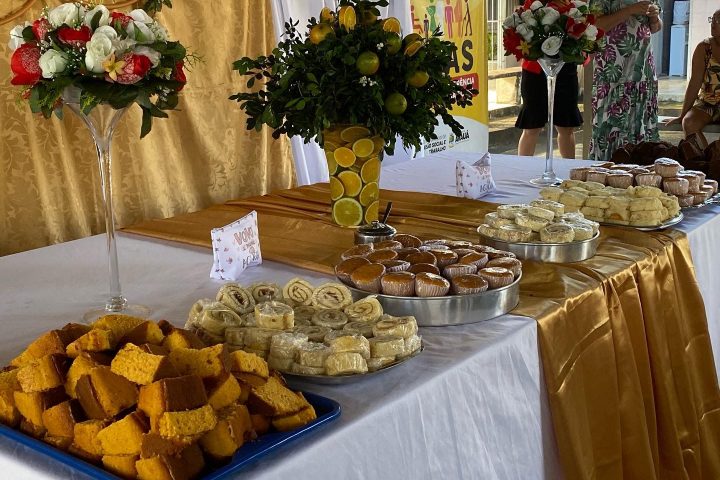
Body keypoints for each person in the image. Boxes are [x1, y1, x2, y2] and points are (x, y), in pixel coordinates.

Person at [589, 0, 662, 161]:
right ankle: (606, 170)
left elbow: (655, 28)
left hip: (644, 73)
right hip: (613, 74)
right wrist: (630, 10)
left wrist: (655, 18)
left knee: (642, 131)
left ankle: (642, 174)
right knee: (609, 130)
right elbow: (595, 26)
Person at [665, 10, 720, 147]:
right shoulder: (704, 48)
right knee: (689, 122)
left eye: (718, 20)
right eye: (712, 19)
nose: (713, 24)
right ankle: (705, 157)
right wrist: (682, 114)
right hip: (707, 103)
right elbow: (695, 82)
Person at [516, 60, 582, 159]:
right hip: (534, 65)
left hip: (565, 64)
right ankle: (522, 167)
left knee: (566, 127)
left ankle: (569, 167)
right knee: (531, 126)